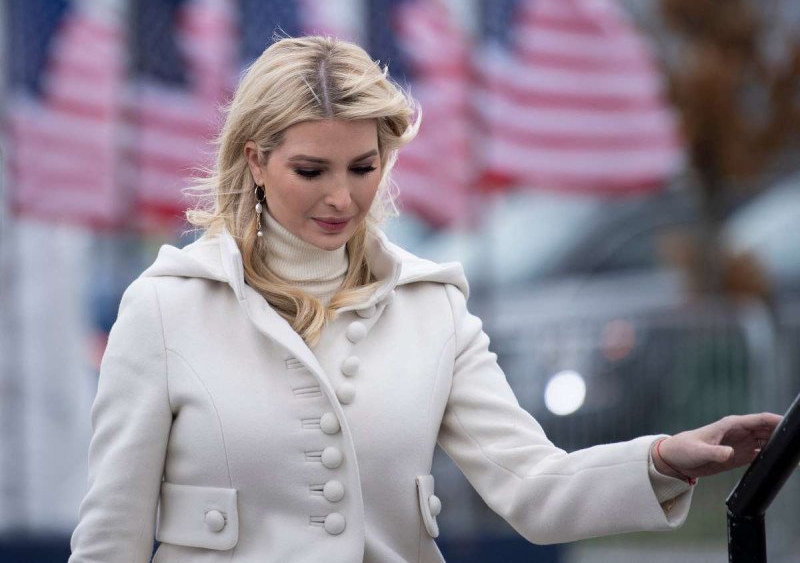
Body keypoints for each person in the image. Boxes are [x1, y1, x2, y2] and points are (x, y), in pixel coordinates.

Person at [68, 36, 781, 563]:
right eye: (311, 170)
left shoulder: (432, 307)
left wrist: (664, 458)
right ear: (254, 159)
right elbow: (110, 537)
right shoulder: (164, 308)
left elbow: (532, 486)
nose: (341, 197)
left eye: (363, 167)